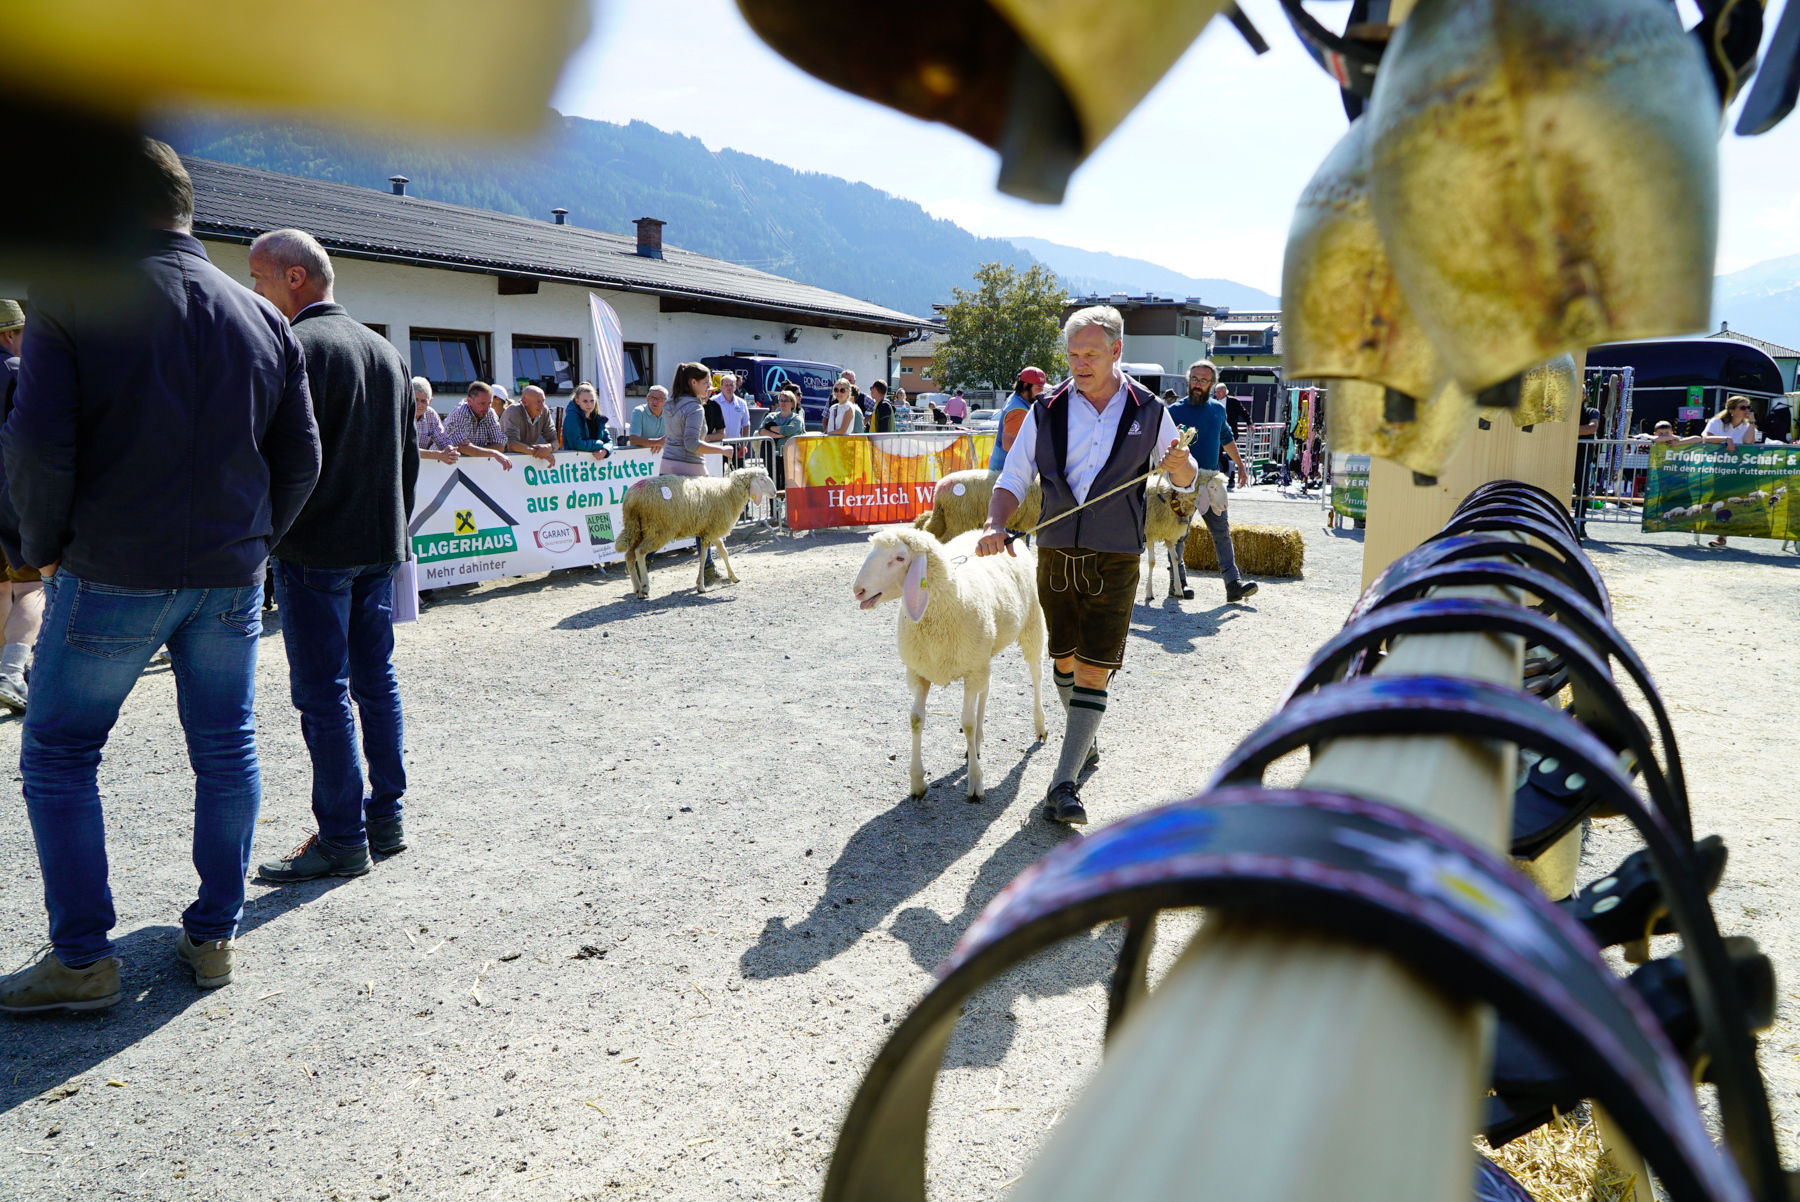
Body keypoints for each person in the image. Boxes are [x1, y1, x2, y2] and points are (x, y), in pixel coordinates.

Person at [0, 140, 321, 1009]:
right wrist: (257, 544)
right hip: (229, 570)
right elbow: (301, 460)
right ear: (184, 208)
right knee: (226, 745)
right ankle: (215, 936)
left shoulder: (71, 295)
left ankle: (81, 959)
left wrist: (43, 546)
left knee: (61, 752)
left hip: (110, 566)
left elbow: (35, 446)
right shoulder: (264, 318)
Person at [978, 305, 1196, 828]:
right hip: (1053, 551)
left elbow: (1186, 484)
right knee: (1065, 660)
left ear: (1117, 350)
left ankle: (1063, 784)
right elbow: (1013, 476)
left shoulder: (1149, 410)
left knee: (1096, 665)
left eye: (1091, 354)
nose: (1079, 363)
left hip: (1118, 557)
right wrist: (993, 522)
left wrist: (1181, 467)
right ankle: (1084, 737)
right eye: (1073, 354)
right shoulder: (1046, 409)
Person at [245, 228, 418, 883]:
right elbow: (407, 463)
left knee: (324, 695)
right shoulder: (387, 352)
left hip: (316, 548)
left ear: (294, 279)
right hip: (377, 545)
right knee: (375, 683)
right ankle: (386, 818)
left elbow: (272, 455)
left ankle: (344, 837)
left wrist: (266, 535)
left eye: (259, 279)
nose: (254, 292)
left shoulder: (293, 347)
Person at [1168, 363, 1257, 604]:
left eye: (1204, 380)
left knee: (1221, 532)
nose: (1198, 384)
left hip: (1211, 483)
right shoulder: (1173, 411)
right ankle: (1178, 581)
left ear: (1212, 384)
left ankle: (1233, 584)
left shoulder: (1218, 410)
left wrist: (1240, 466)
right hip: (1181, 482)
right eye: (1194, 379)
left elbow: (1227, 439)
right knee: (1179, 533)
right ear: (1189, 381)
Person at [0, 300, 41, 713]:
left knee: (1, 587)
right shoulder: (15, 371)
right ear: (9, 334)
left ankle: (5, 668)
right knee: (30, 585)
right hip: (10, 495)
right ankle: (11, 673)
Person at [663, 362, 737, 581]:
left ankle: (643, 561)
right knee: (705, 522)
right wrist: (722, 449)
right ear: (693, 383)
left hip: (667, 465)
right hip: (691, 468)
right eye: (705, 383)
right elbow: (692, 444)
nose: (709, 387)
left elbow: (671, 437)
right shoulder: (695, 408)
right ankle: (707, 568)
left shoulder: (670, 404)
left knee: (661, 519)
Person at [1701, 395, 1762, 548]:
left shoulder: (1747, 425)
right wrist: (1726, 438)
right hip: (1720, 469)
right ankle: (1718, 532)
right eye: (1743, 408)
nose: (1747, 410)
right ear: (1732, 410)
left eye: (1749, 407)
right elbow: (1705, 437)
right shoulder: (1717, 422)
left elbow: (1749, 442)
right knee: (1719, 499)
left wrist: (1753, 422)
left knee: (1736, 501)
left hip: (1740, 471)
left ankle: (1723, 534)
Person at [989, 366, 1047, 472]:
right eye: (1038, 388)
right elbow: (1008, 445)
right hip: (1006, 470)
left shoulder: (1016, 398)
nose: (1041, 393)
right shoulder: (1019, 411)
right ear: (1025, 386)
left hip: (1003, 468)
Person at [445, 382, 513, 470]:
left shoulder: (490, 413)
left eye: (489, 404)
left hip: (468, 467)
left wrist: (473, 450)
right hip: (442, 467)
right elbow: (461, 447)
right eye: (482, 403)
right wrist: (493, 453)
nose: (486, 408)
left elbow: (500, 446)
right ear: (469, 401)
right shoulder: (460, 412)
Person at [502, 383, 559, 465]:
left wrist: (549, 448)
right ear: (524, 402)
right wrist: (539, 453)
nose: (542, 406)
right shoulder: (513, 410)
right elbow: (511, 444)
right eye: (538, 401)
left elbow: (555, 441)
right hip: (505, 463)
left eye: (543, 401)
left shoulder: (544, 411)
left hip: (526, 462)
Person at [760, 389, 806, 489]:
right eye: (781, 400)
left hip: (791, 457)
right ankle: (773, 504)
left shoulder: (797, 419)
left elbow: (790, 430)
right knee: (773, 483)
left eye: (786, 401)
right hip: (773, 456)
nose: (783, 403)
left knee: (789, 484)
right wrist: (778, 435)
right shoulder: (771, 416)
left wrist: (771, 428)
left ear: (792, 403)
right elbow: (761, 431)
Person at [561, 382, 614, 461]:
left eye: (592, 401)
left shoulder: (598, 418)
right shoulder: (572, 417)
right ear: (577, 401)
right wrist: (599, 444)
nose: (589, 404)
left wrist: (605, 450)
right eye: (585, 401)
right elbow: (576, 444)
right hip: (573, 464)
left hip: (595, 465)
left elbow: (609, 441)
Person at [413, 377, 458, 465]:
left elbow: (444, 441)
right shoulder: (399, 413)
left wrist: (450, 451)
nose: (419, 405)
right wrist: (439, 455)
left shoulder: (431, 414)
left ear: (430, 401)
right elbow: (404, 450)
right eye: (415, 400)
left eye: (423, 401)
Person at [628, 386, 668, 452]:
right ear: (647, 399)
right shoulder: (639, 411)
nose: (655, 401)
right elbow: (633, 440)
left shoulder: (670, 413)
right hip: (641, 458)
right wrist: (658, 442)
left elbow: (676, 438)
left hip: (663, 456)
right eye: (652, 398)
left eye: (660, 399)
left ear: (666, 401)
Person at [717, 372, 751, 441]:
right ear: (721, 387)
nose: (729, 388)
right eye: (726, 385)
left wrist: (744, 444)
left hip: (735, 444)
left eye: (731, 385)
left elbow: (746, 425)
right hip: (717, 444)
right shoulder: (714, 401)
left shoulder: (742, 403)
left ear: (735, 387)